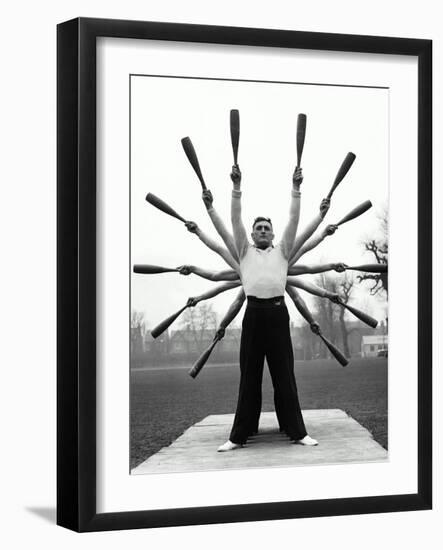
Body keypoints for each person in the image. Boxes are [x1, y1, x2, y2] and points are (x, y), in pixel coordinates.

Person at [218, 164, 330, 452]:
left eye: (267, 227)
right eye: (259, 228)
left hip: (279, 316)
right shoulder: (243, 251)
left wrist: (296, 189)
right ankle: (238, 436)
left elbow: (295, 219)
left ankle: (297, 432)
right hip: (253, 315)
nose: (263, 230)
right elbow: (234, 219)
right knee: (249, 377)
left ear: (273, 233)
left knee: (285, 376)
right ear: (253, 235)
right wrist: (236, 187)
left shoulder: (284, 251)